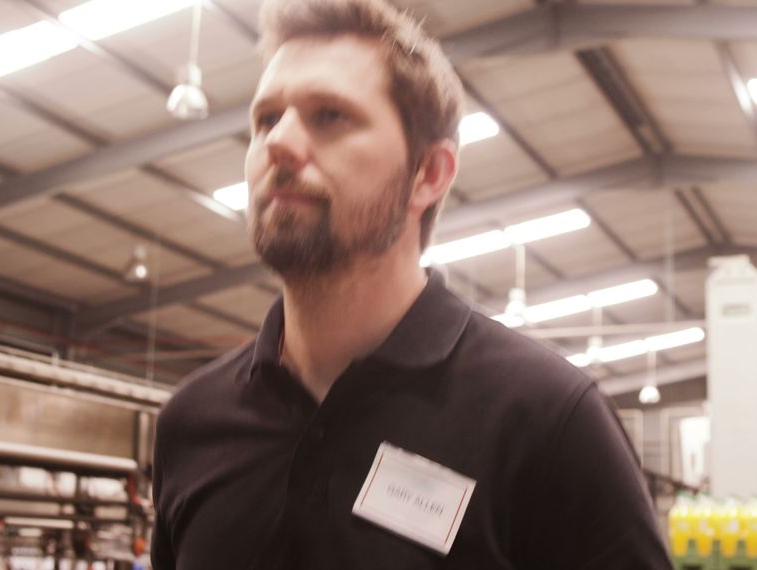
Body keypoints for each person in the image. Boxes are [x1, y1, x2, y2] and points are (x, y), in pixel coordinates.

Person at [150, 0, 672, 568]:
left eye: (329, 116)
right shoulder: (193, 422)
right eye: (266, 119)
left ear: (428, 173)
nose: (278, 142)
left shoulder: (547, 422)